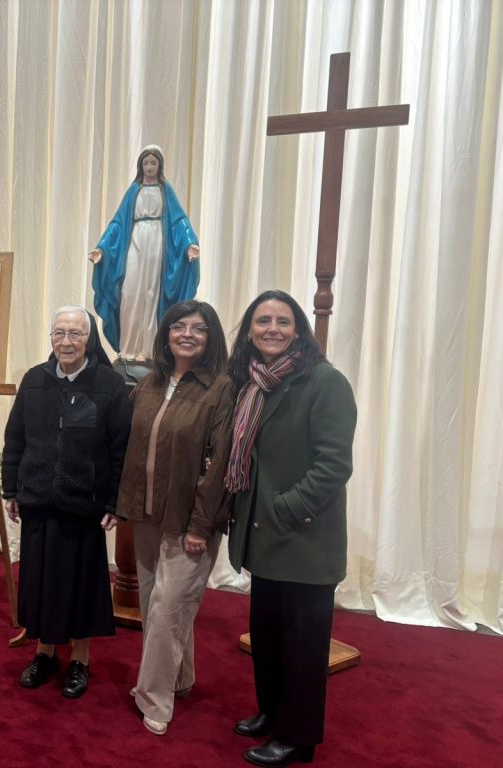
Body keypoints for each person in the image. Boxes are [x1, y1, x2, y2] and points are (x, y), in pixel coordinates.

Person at [224, 290, 357, 767]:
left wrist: (285, 509)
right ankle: (272, 711)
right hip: (263, 537)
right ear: (250, 330)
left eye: (283, 321)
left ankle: (298, 739)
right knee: (268, 636)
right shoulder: (253, 383)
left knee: (302, 648)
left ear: (298, 329)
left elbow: (334, 465)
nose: (272, 329)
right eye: (263, 321)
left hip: (303, 538)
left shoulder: (325, 382)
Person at [116, 300, 235, 735]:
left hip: (190, 521)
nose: (187, 334)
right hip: (145, 513)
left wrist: (201, 525)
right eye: (178, 326)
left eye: (198, 328)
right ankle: (180, 678)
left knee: (168, 610)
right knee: (156, 603)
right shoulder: (149, 383)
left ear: (211, 337)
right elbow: (130, 448)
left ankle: (153, 698)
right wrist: (121, 504)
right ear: (166, 334)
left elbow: (220, 466)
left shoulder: (222, 388)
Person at [2, 305, 132, 699]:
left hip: (82, 506)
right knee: (40, 583)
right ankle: (44, 654)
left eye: (75, 333)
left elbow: (121, 451)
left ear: (89, 339)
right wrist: (11, 489)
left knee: (80, 587)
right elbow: (15, 439)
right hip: (39, 500)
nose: (66, 341)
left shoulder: (110, 386)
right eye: (59, 333)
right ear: (51, 338)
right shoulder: (34, 380)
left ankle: (80, 660)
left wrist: (113, 502)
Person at [89, 144, 201, 360]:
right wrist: (102, 248)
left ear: (160, 165)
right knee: (130, 292)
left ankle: (148, 350)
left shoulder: (165, 190)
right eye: (145, 163)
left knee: (151, 294)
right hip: (136, 241)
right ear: (140, 165)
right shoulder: (134, 190)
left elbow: (180, 221)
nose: (149, 167)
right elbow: (118, 223)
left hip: (157, 243)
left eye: (153, 163)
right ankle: (127, 347)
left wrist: (189, 244)